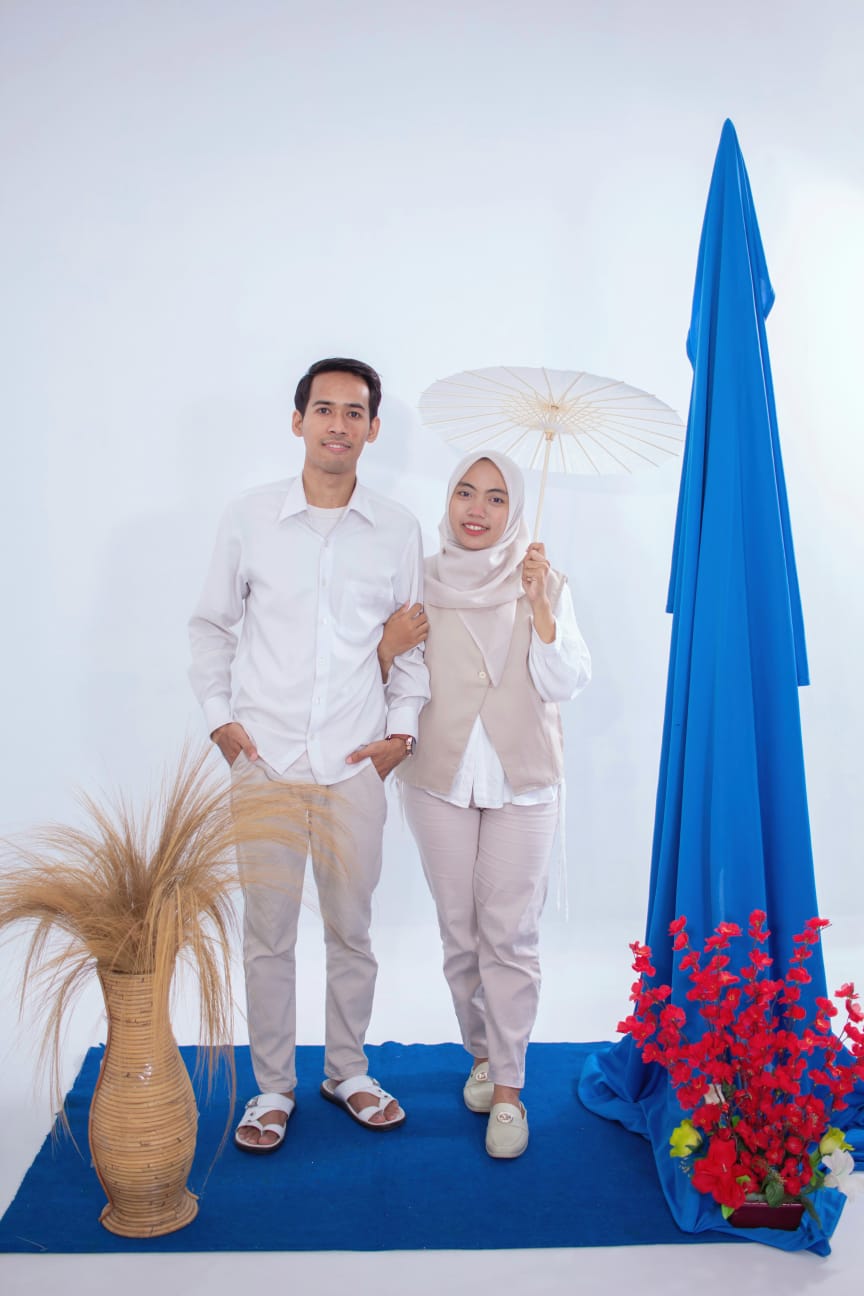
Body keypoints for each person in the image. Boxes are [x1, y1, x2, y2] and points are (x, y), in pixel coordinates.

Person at [189, 357, 430, 1153]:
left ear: (373, 429)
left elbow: (411, 645)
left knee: (352, 930)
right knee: (267, 935)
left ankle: (348, 1071)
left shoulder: (397, 529)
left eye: (354, 412)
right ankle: (272, 1088)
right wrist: (222, 723)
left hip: (354, 764)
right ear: (298, 422)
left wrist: (400, 737)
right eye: (324, 409)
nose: (338, 424)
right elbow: (211, 626)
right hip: (264, 762)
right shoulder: (249, 518)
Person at [386, 450, 590, 1159]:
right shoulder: (419, 581)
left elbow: (565, 683)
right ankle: (481, 1053)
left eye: (497, 498)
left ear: (515, 509)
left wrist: (540, 607)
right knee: (461, 933)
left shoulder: (544, 581)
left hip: (522, 781)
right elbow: (401, 676)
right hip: (438, 779)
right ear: (448, 501)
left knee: (510, 936)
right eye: (466, 493)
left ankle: (508, 1087)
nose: (478, 509)